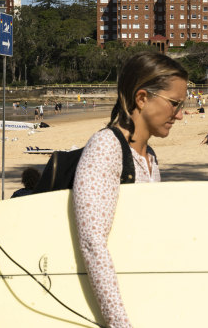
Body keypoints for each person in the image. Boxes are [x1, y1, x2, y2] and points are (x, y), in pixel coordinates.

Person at [73, 51, 188, 327]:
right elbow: (93, 244)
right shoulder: (106, 147)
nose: (180, 115)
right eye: (174, 104)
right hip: (118, 313)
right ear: (142, 98)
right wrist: (119, 323)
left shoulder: (149, 157)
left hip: (142, 298)